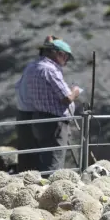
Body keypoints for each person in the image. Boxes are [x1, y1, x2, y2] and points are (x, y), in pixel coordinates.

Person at [15, 36, 83, 172]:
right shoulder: (50, 70)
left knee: (37, 158)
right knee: (53, 160)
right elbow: (66, 98)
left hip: (37, 117)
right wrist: (75, 91)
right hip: (54, 121)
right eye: (66, 57)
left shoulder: (32, 67)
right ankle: (50, 189)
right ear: (59, 54)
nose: (66, 61)